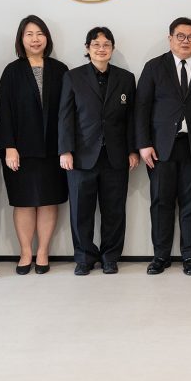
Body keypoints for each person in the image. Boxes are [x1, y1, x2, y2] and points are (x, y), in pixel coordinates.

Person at [136, 17, 191, 276]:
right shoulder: (154, 67)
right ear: (170, 38)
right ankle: (160, 255)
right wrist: (143, 144)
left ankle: (190, 255)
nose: (186, 41)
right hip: (161, 148)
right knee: (161, 202)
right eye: (181, 36)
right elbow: (141, 108)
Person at [58, 27, 138, 276]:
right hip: (81, 155)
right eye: (96, 44)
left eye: (106, 44)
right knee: (81, 210)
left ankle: (110, 256)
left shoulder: (126, 78)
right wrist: (65, 150)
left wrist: (133, 150)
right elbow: (65, 117)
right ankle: (83, 256)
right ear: (87, 48)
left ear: (112, 49)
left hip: (116, 155)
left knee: (114, 209)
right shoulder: (73, 77)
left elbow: (132, 118)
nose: (101, 48)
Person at [0, 15, 68, 275]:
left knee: (49, 201)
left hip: (53, 149)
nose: (35, 39)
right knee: (24, 202)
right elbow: (3, 111)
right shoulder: (12, 71)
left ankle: (43, 251)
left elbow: (68, 111)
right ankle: (26, 251)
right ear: (21, 39)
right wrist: (9, 146)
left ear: (47, 38)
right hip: (21, 150)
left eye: (39, 33)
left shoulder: (60, 70)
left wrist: (66, 147)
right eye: (29, 34)